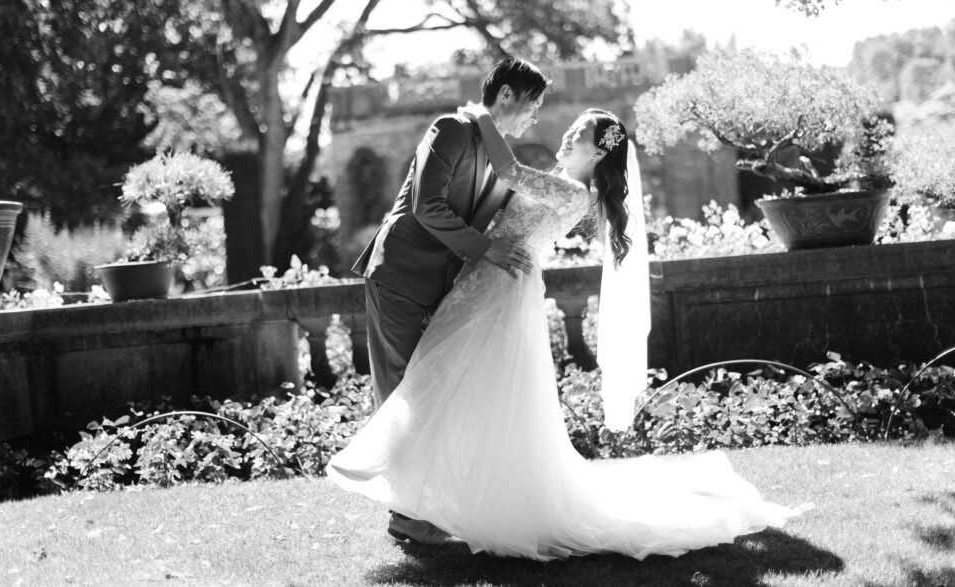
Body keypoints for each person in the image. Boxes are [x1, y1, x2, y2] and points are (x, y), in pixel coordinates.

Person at [330, 104, 804, 560]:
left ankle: (415, 497)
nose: (566, 137)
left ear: (597, 153)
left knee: (449, 388)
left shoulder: (575, 194)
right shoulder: (561, 184)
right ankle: (426, 502)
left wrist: (480, 118)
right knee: (452, 390)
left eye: (577, 134)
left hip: (498, 295)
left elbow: (512, 173)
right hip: (481, 286)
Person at [351, 56, 549, 544]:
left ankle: (426, 508)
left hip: (443, 289)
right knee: (400, 392)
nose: (535, 119)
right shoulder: (452, 129)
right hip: (399, 275)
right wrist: (487, 250)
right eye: (533, 106)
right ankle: (406, 516)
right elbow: (427, 205)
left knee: (433, 392)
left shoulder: (502, 160)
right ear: (506, 95)